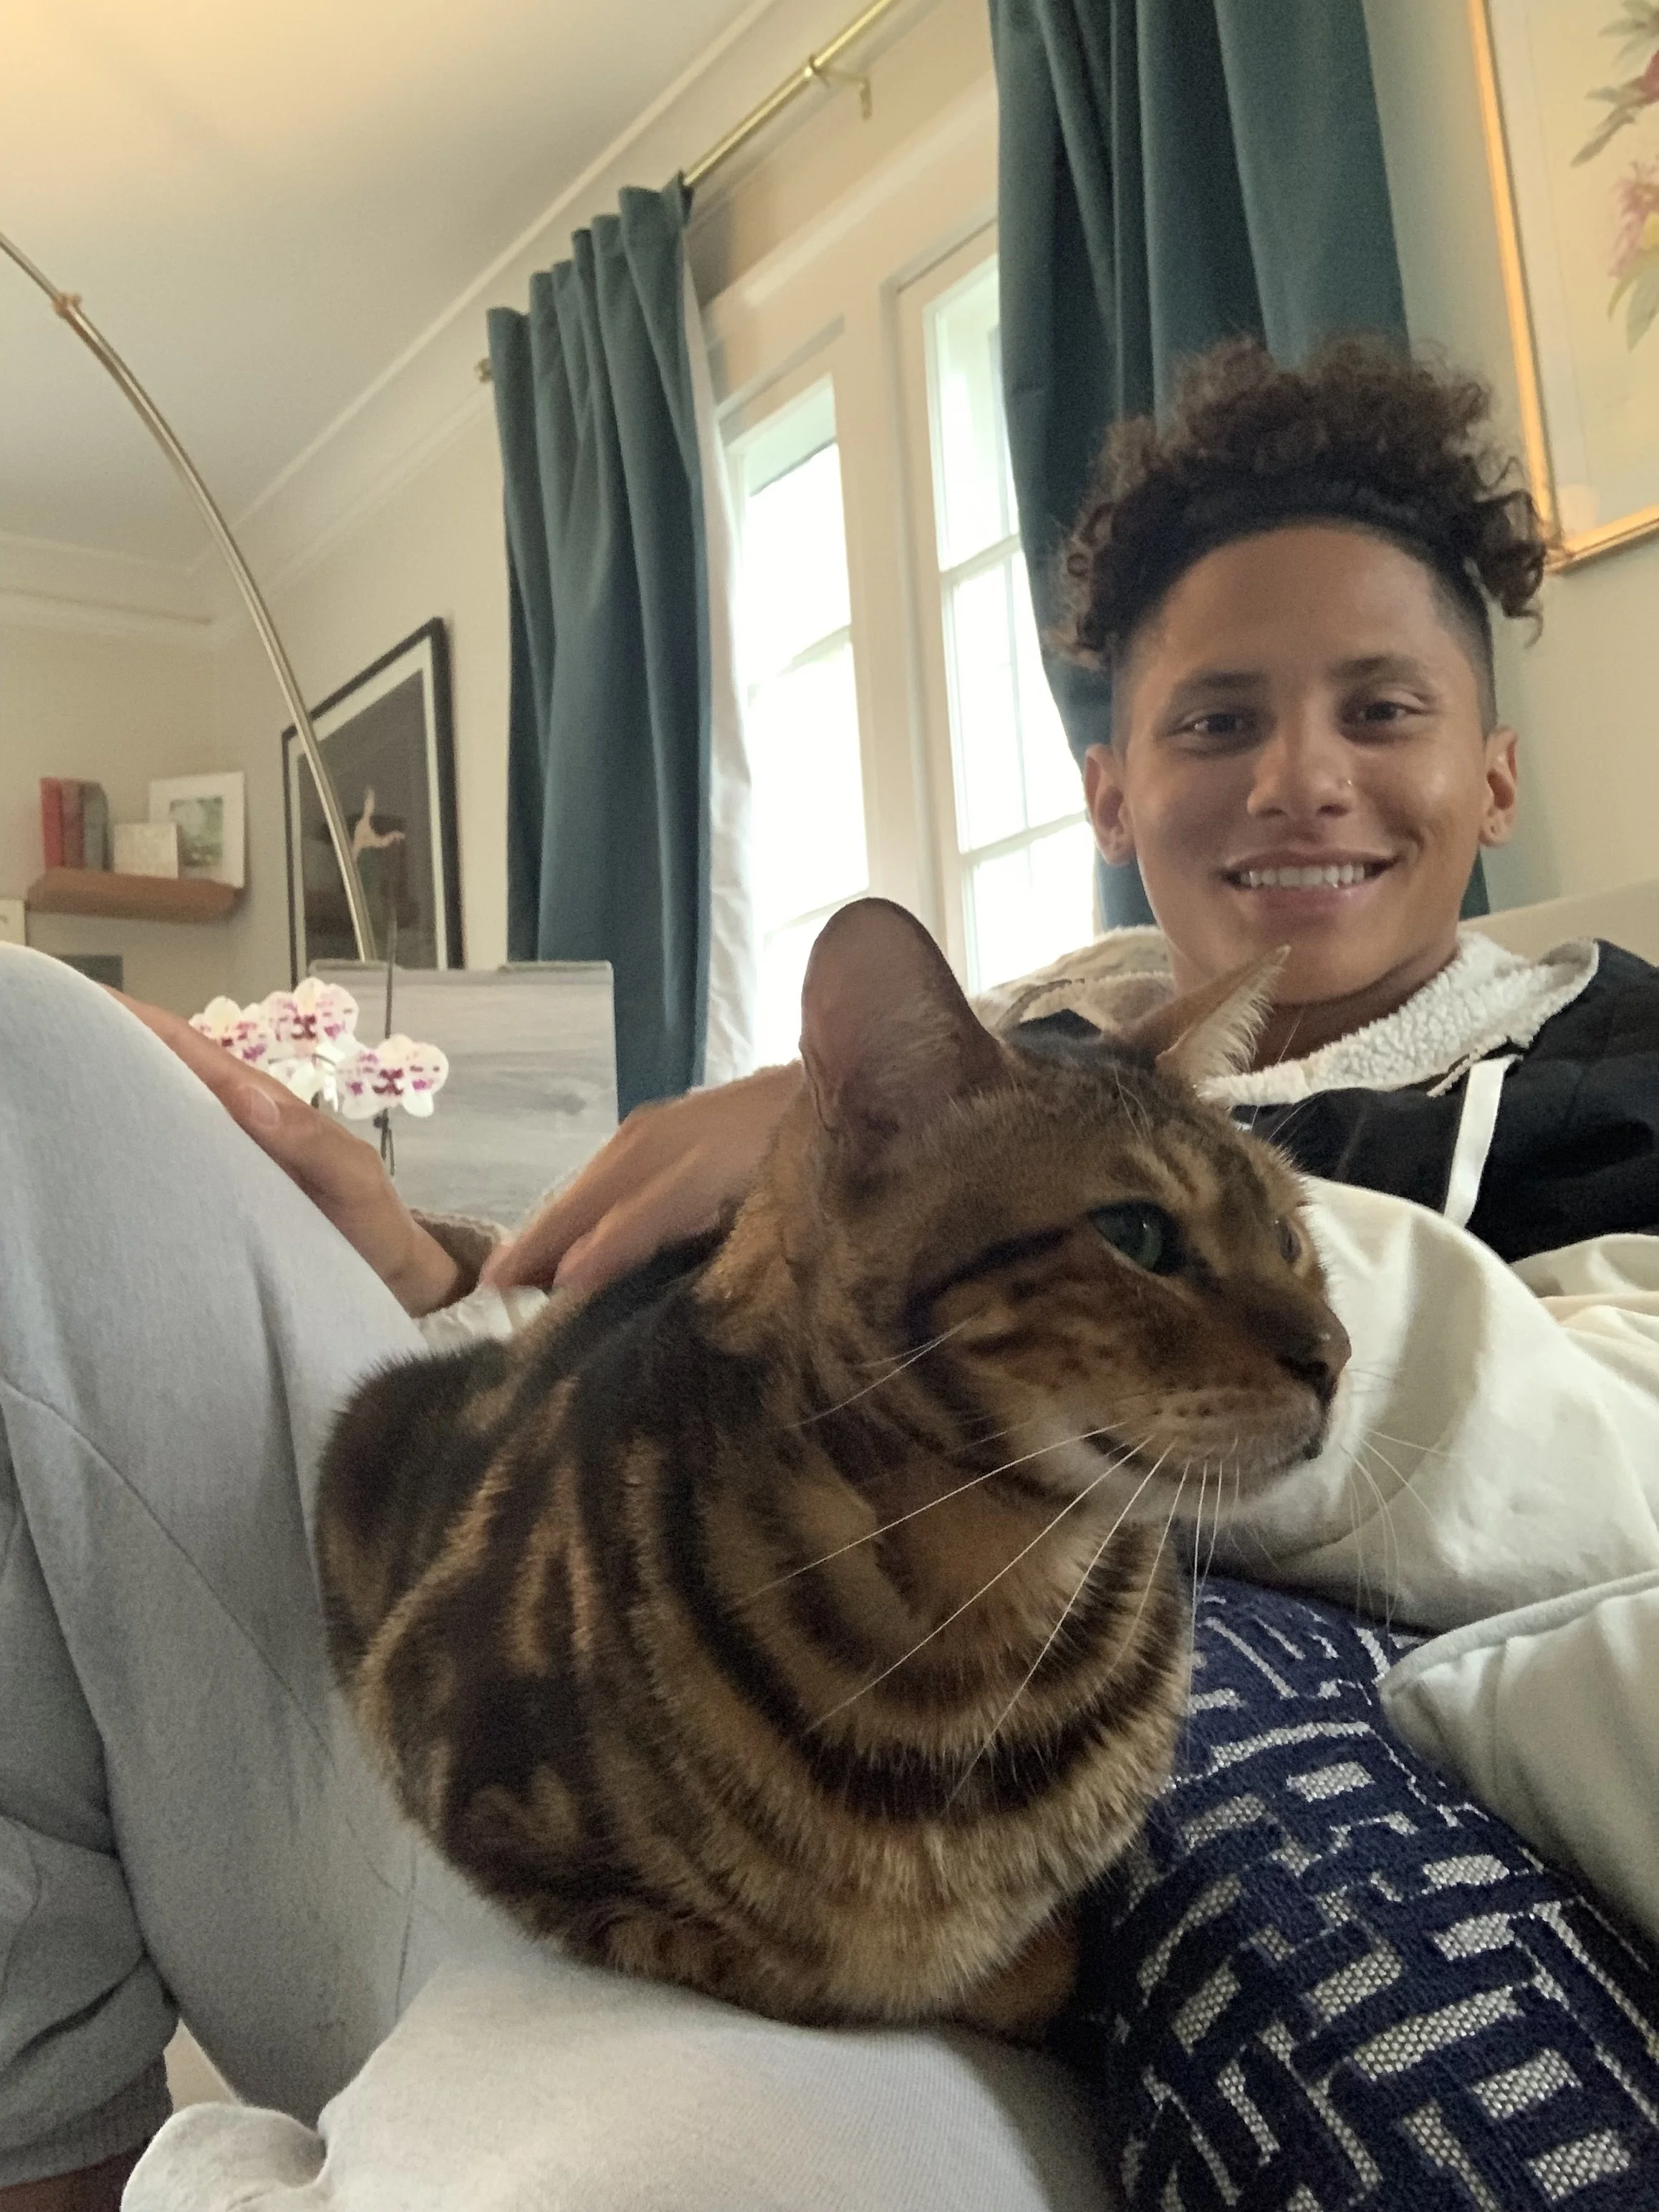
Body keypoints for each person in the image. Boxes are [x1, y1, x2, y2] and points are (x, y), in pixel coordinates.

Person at [5, 335, 1659, 2210]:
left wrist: (970, 1221)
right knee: (36, 1057)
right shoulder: (1007, 1045)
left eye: (1382, 709)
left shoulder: (1611, 1074)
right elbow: (657, 1371)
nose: (1300, 779)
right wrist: (449, 1267)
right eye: (1215, 723)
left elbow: (1615, 1458)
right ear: (1111, 792)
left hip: (986, 1876)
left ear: (1493, 772)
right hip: (582, 1701)